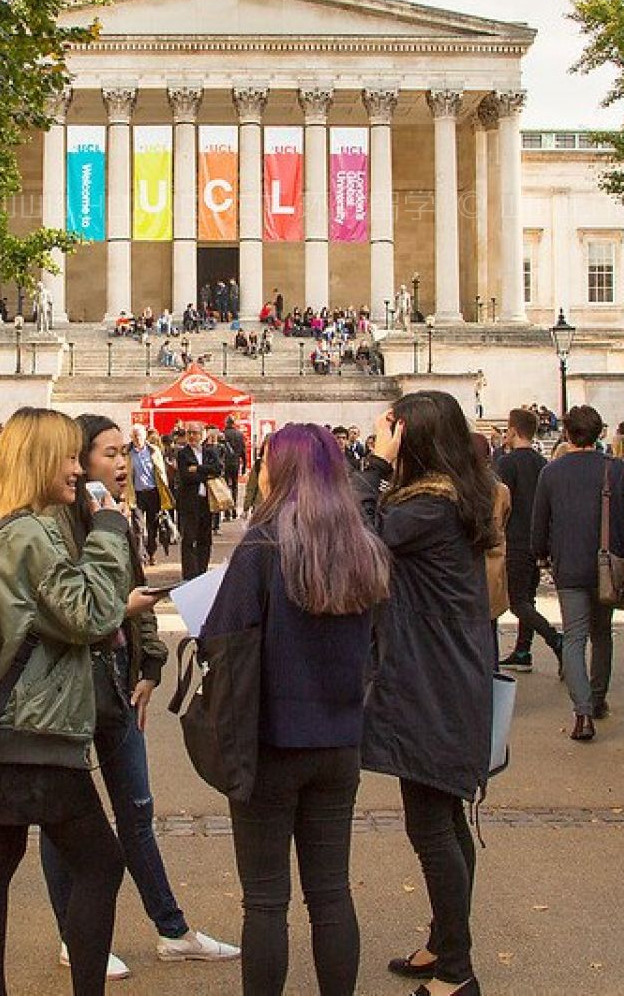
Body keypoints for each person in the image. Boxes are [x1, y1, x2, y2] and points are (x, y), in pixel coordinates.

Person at [39, 415, 235, 980]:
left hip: (119, 680)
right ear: (76, 462)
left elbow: (137, 591)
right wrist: (120, 611)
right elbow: (76, 611)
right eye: (106, 454)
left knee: (138, 811)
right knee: (64, 817)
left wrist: (149, 663)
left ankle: (172, 929)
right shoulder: (55, 527)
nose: (120, 464)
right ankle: (75, 937)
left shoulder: (118, 522)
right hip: (69, 686)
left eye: (123, 452)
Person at [204, 424, 390, 995]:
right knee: (330, 892)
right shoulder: (364, 547)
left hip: (270, 742)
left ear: (277, 472)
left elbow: (222, 640)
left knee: (265, 901)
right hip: (338, 739)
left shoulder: (261, 547)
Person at [0, 408, 130, 996]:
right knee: (101, 864)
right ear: (37, 460)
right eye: (64, 455)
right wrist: (109, 531)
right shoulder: (30, 533)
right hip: (36, 720)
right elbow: (91, 613)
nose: (75, 466)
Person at [355, 391, 498, 996]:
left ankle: (457, 971)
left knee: (433, 825)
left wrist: (374, 466)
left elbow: (360, 536)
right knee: (438, 817)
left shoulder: (430, 505)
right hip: (442, 669)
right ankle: (444, 941)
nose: (382, 435)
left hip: (435, 677)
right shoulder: (445, 495)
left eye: (391, 428)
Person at [532, 406, 624, 741]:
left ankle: (582, 713)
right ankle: (597, 698)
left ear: (567, 433)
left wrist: (542, 554)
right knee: (602, 634)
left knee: (575, 638)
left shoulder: (551, 473)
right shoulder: (615, 470)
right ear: (599, 433)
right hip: (606, 564)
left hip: (570, 565)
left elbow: (540, 524)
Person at [497, 408, 563, 673]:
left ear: (513, 430)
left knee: (517, 601)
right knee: (528, 597)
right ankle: (523, 650)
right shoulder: (542, 464)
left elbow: (502, 503)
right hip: (537, 539)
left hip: (515, 538)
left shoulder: (507, 463)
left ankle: (554, 637)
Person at [174, 421, 219, 579]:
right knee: (189, 539)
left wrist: (198, 469)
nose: (192, 436)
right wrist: (206, 472)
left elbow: (218, 469)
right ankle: (189, 574)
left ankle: (202, 571)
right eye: (189, 433)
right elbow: (186, 476)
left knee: (205, 538)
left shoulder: (210, 452)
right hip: (189, 502)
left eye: (195, 433)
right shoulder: (183, 454)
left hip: (207, 501)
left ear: (202, 435)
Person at [129, 424, 171, 565]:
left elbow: (161, 473)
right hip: (136, 494)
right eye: (134, 435)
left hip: (153, 492)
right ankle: (141, 557)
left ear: (145, 436)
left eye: (139, 435)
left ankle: (151, 552)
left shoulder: (154, 451)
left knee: (152, 526)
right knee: (138, 527)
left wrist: (165, 494)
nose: (137, 438)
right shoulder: (127, 453)